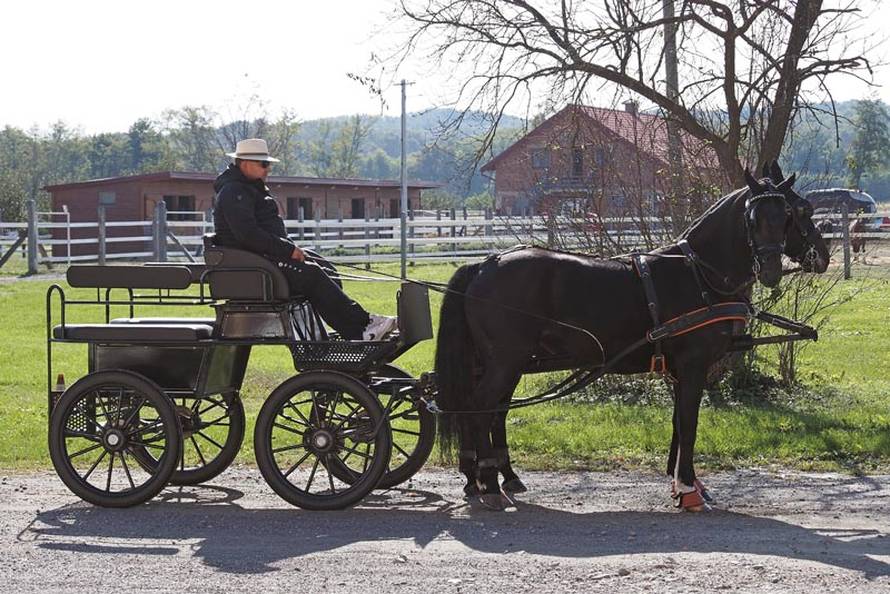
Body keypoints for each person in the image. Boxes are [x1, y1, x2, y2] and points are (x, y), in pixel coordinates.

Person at [212, 138, 397, 341]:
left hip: (263, 259)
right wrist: (287, 250)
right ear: (245, 163)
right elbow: (248, 235)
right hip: (252, 265)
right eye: (264, 164)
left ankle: (345, 328)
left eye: (269, 164)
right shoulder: (234, 192)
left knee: (324, 267)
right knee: (311, 274)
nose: (268, 169)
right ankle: (360, 329)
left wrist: (290, 249)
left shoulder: (248, 188)